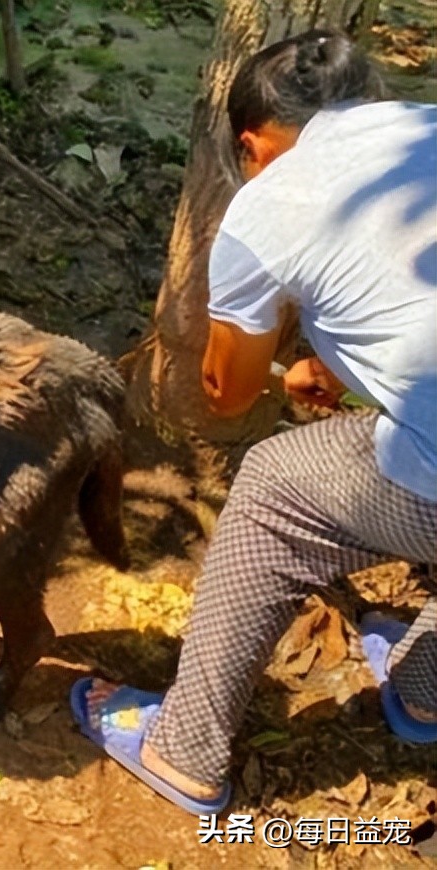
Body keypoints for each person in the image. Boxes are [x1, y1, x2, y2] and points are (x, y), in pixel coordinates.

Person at [70, 29, 437, 814]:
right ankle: (425, 688)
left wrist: (249, 359)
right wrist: (340, 364)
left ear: (250, 142)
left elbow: (231, 396)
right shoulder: (425, 128)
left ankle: (184, 748)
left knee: (274, 486)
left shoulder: (270, 202)